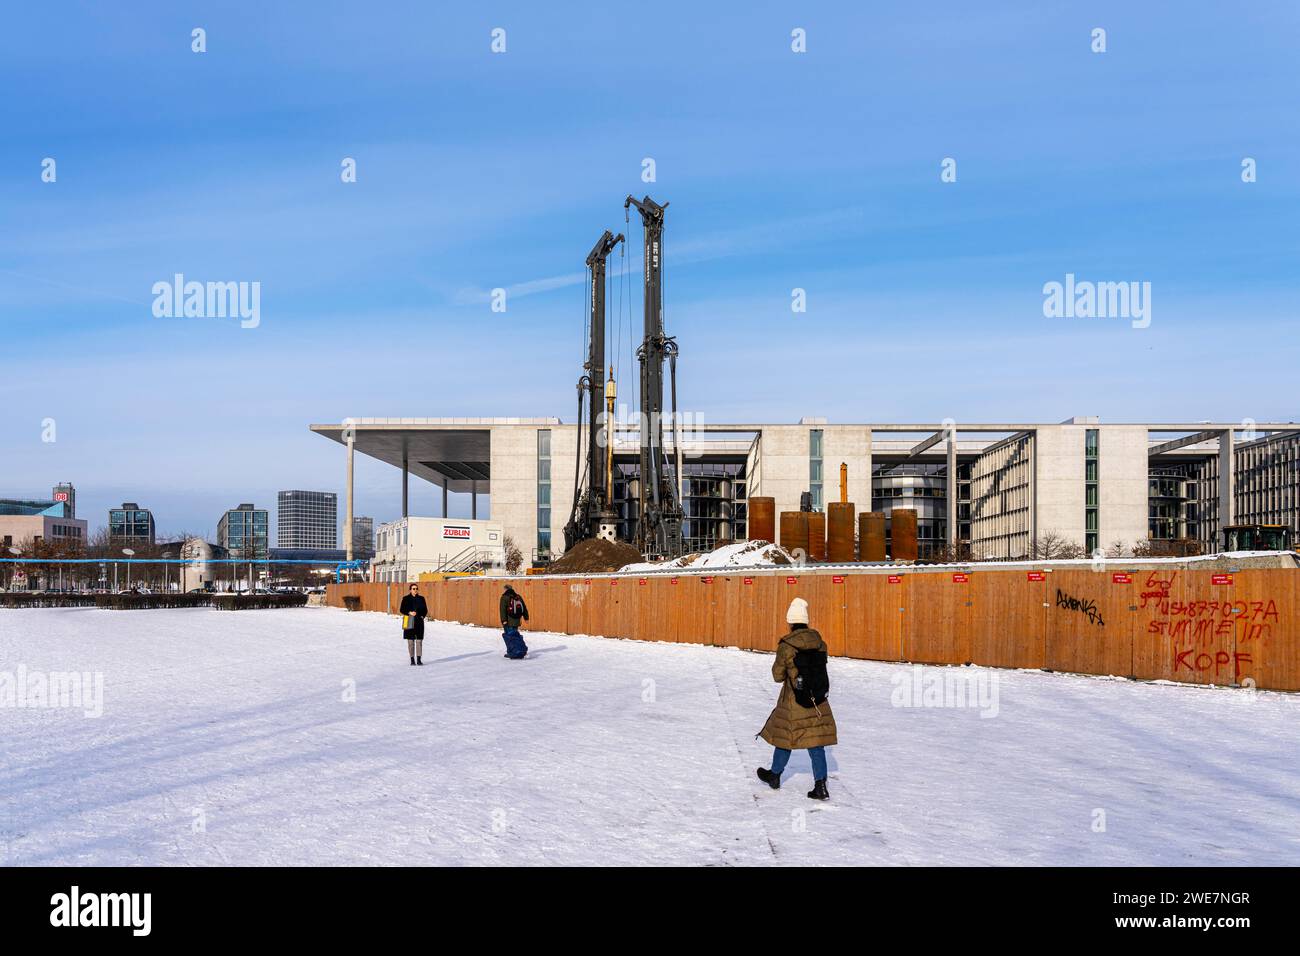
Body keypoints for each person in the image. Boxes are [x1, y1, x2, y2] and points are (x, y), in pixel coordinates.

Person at [756, 597, 837, 800]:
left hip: (794, 699)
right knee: (816, 742)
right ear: (806, 621)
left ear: (791, 622)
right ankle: (821, 785)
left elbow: (777, 675)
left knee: (785, 737)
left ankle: (775, 775)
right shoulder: (820, 643)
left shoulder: (787, 645)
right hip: (817, 699)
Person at [399, 583, 428, 665]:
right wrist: (409, 612)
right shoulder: (405, 598)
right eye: (413, 589)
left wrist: (422, 616)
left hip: (419, 621)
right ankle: (412, 659)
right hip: (409, 620)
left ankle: (419, 659)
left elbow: (425, 610)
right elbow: (402, 609)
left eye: (416, 588)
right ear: (410, 590)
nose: (415, 590)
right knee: (410, 641)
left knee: (419, 641)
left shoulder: (421, 598)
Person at [499, 584, 529, 660]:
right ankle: (516, 651)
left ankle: (514, 652)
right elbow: (524, 607)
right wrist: (526, 617)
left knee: (510, 637)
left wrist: (504, 620)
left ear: (505, 589)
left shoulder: (504, 597)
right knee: (514, 635)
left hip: (508, 621)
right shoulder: (518, 596)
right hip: (517, 620)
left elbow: (502, 610)